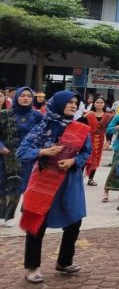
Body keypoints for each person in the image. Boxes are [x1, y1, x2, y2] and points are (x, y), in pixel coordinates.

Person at [17, 91, 92, 283]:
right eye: (69, 102)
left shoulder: (81, 129)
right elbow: (22, 151)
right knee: (36, 224)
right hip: (43, 182)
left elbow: (87, 152)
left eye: (76, 103)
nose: (73, 105)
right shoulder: (43, 128)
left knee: (74, 222)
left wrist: (74, 161)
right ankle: (32, 267)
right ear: (58, 104)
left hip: (69, 182)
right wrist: (44, 151)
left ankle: (64, 262)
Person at [0, 87, 43, 227]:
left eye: (29, 96)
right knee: (4, 184)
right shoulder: (5, 114)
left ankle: (12, 215)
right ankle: (3, 213)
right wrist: (1, 147)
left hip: (28, 157)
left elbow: (43, 134)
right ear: (16, 97)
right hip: (7, 156)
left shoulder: (37, 115)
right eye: (22, 95)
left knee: (20, 185)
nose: (26, 98)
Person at [79, 95, 112, 187]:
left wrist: (108, 140)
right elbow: (78, 123)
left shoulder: (108, 116)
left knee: (96, 159)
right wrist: (84, 116)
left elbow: (109, 129)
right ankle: (78, 178)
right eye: (97, 102)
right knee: (85, 157)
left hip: (100, 140)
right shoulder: (89, 114)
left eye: (101, 102)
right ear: (94, 104)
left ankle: (91, 179)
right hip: (88, 139)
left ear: (104, 104)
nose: (99, 104)